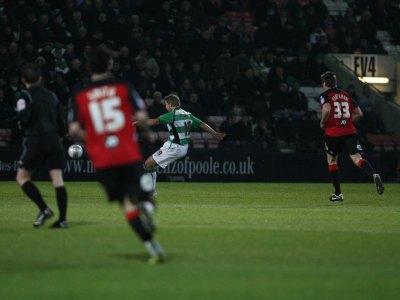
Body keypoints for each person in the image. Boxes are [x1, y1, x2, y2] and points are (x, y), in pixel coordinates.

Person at [68, 46, 165, 264]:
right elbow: (140, 114)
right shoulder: (123, 87)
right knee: (144, 196)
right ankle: (148, 207)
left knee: (125, 204)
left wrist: (92, 139)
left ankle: (153, 247)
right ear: (110, 65)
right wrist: (148, 135)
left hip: (103, 159)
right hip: (127, 153)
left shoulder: (81, 95)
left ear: (88, 67)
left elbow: (73, 129)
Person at [135, 94, 226, 196]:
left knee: (147, 164)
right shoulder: (187, 114)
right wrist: (214, 133)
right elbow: (202, 124)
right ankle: (151, 190)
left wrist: (135, 123)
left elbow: (154, 122)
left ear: (171, 104)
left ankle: (150, 192)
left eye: (166, 105)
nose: (165, 107)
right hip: (181, 146)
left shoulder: (173, 115)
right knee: (151, 165)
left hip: (175, 146)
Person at [15, 63, 68, 228]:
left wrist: (21, 124)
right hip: (54, 140)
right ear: (40, 79)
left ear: (24, 80)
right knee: (58, 180)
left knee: (22, 177)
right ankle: (63, 220)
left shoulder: (24, 95)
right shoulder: (52, 96)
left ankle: (44, 209)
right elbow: (61, 123)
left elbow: (24, 119)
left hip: (37, 140)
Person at [319, 71, 384, 201]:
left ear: (325, 84)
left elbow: (326, 109)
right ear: (335, 83)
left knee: (332, 160)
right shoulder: (345, 94)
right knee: (356, 158)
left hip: (333, 133)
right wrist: (346, 121)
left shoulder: (325, 95)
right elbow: (359, 113)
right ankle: (373, 174)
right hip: (349, 132)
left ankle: (338, 194)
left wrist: (322, 122)